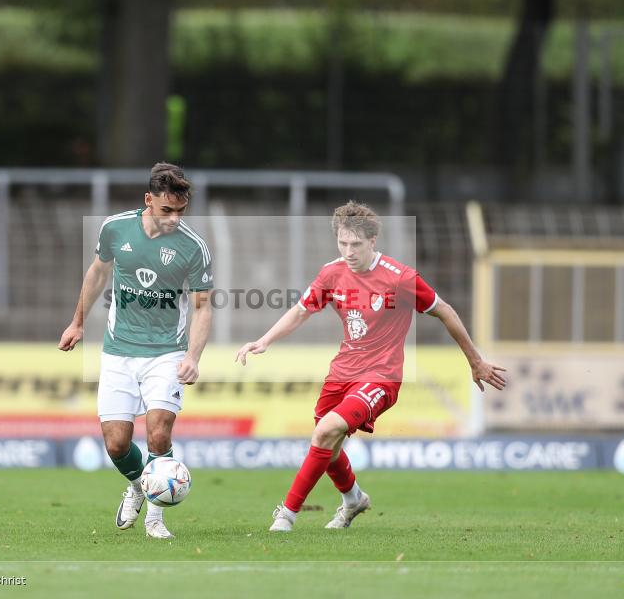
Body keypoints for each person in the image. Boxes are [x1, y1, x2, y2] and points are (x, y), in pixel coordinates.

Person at [236, 201, 506, 532]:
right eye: (343, 243)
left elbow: (445, 310)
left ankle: (286, 514)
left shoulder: (401, 278)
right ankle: (353, 499)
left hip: (382, 377)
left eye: (356, 245)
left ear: (373, 241)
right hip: (342, 373)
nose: (349, 251)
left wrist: (474, 360)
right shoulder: (331, 273)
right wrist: (265, 340)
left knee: (324, 432)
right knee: (328, 445)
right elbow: (302, 310)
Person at [59, 163, 213, 539]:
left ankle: (156, 519)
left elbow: (203, 306)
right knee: (116, 443)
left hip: (166, 353)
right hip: (119, 352)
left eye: (181, 211)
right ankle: (139, 484)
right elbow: (97, 273)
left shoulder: (193, 247)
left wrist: (192, 357)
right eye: (166, 211)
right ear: (149, 200)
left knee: (159, 434)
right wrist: (78, 321)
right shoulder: (115, 228)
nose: (174, 219)